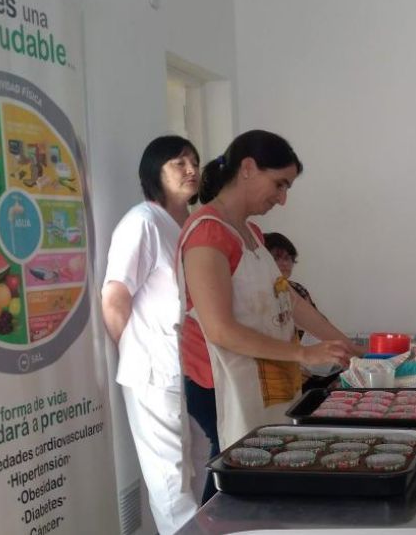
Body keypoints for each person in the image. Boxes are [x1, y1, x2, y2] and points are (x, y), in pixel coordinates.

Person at [179, 130, 358, 458]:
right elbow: (219, 330)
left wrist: (349, 349)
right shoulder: (207, 234)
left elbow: (289, 300)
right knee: (234, 468)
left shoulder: (250, 232)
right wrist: (305, 355)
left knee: (262, 463)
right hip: (221, 384)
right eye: (280, 184)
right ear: (247, 168)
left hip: (263, 375)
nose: (282, 198)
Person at [100, 135, 200, 533]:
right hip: (154, 373)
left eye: (194, 161)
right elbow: (114, 297)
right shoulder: (143, 222)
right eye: (179, 163)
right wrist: (140, 350)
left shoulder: (191, 225)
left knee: (199, 470)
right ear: (154, 172)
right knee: (171, 485)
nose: (192, 169)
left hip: (191, 370)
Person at [263, 232, 315, 309]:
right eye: (276, 258)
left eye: (287, 258)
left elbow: (315, 319)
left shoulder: (298, 289)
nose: (285, 263)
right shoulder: (255, 292)